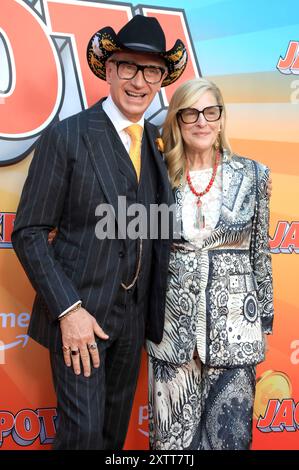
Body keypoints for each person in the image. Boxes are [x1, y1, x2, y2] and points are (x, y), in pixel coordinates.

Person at [11, 15, 187, 450]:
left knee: (110, 437)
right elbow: (28, 232)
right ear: (109, 70)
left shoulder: (156, 144)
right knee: (83, 437)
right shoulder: (67, 137)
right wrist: (68, 311)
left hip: (133, 322)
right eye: (129, 66)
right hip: (80, 320)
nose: (139, 81)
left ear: (161, 79)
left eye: (152, 71)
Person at [146, 77, 274, 450]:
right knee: (170, 446)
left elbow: (260, 254)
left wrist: (263, 317)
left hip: (235, 332)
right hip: (173, 334)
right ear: (178, 121)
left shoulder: (254, 175)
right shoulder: (157, 177)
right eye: (190, 113)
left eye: (210, 112)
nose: (201, 121)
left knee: (229, 442)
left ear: (221, 119)